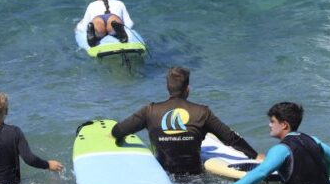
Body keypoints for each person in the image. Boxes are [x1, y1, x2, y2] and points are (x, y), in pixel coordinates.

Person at [111, 67, 259, 175]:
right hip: (196, 178)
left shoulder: (149, 111)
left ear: (167, 87)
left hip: (165, 177)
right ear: (187, 89)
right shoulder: (202, 112)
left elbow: (118, 131)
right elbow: (230, 138)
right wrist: (255, 155)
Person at [214, 102, 330, 184]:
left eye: (272, 121)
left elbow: (262, 171)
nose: (269, 125)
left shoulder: (281, 149)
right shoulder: (314, 140)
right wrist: (326, 178)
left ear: (284, 125)